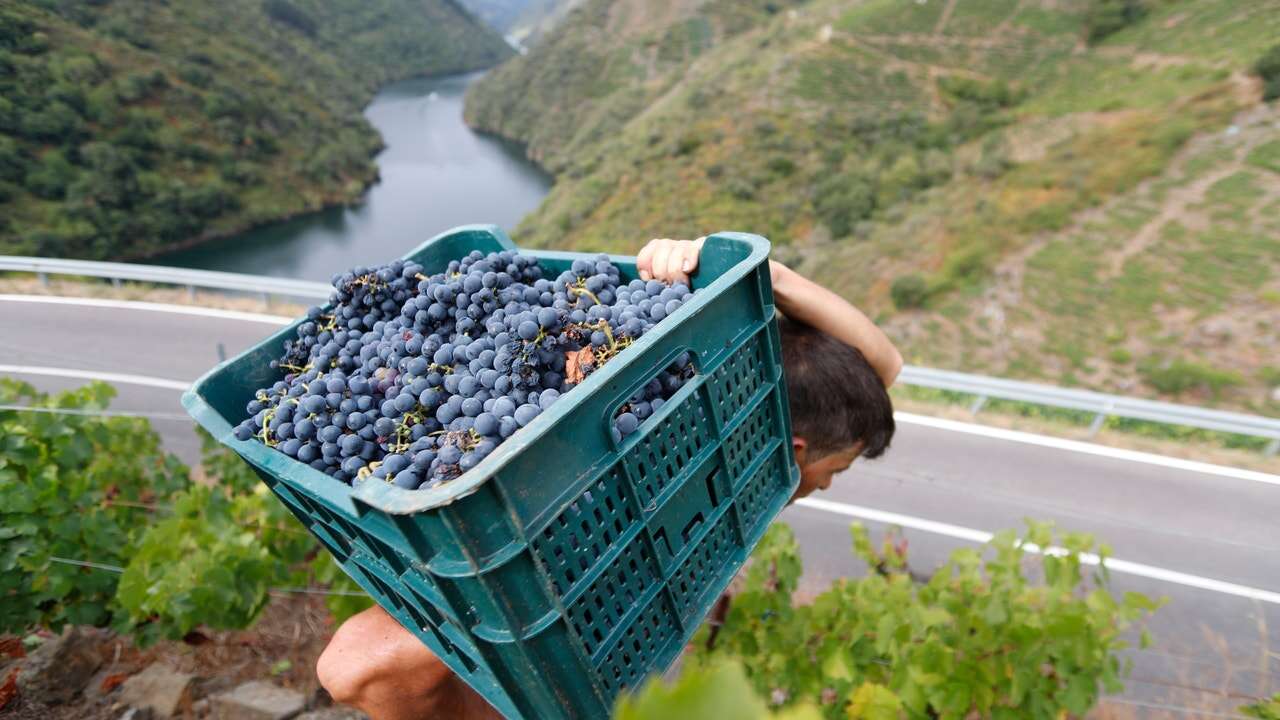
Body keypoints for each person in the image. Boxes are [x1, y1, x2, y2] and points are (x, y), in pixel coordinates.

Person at [315, 237, 902, 719]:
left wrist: (769, 277)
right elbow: (355, 667)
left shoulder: (714, 458)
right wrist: (764, 276)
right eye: (835, 471)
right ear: (795, 447)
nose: (825, 486)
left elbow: (885, 368)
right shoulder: (646, 491)